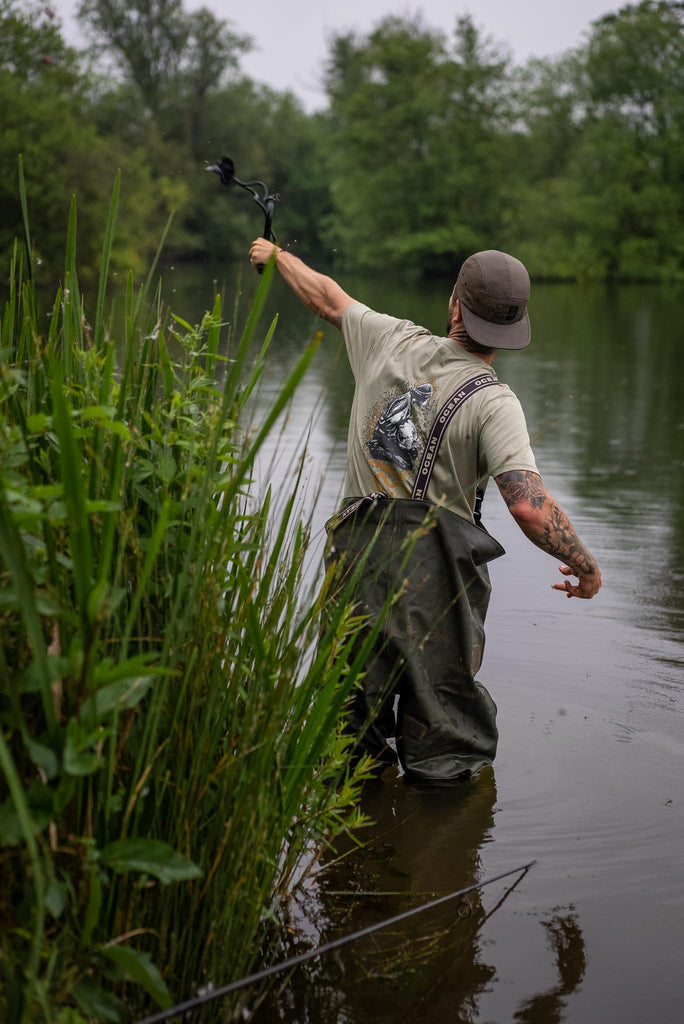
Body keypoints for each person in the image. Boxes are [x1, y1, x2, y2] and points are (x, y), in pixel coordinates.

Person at [249, 239, 602, 783]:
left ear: (456, 305)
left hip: (355, 570)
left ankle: (345, 850)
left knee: (347, 733)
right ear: (511, 330)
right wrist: (585, 565)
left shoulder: (388, 338)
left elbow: (326, 298)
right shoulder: (494, 402)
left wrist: (277, 256)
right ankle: (442, 848)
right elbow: (529, 508)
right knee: (444, 743)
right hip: (438, 590)